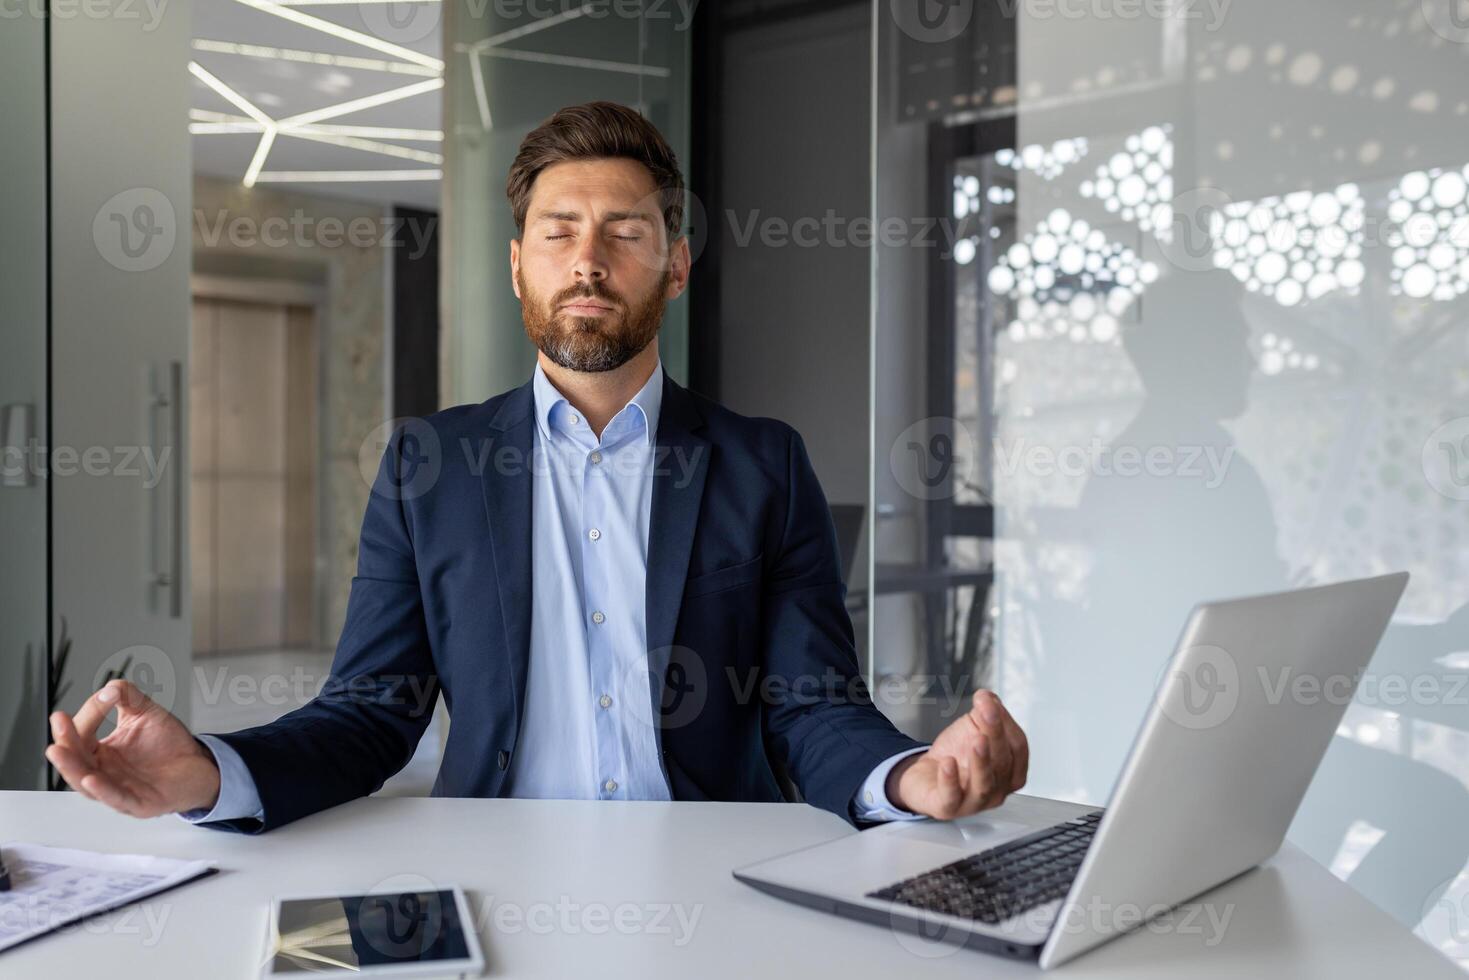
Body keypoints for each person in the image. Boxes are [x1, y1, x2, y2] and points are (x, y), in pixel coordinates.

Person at [44, 101, 1028, 833]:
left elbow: (811, 708)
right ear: (517, 262)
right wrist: (210, 772)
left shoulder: (761, 462)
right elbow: (366, 716)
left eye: (624, 232)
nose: (587, 260)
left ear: (676, 264)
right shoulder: (426, 465)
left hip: (712, 869)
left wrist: (904, 777)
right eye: (559, 231)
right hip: (493, 866)